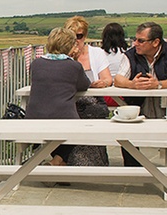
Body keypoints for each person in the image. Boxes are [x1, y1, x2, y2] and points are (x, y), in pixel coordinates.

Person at [113, 21, 167, 167]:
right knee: (125, 129)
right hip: (140, 104)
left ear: (155, 42)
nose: (135, 43)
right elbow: (118, 79)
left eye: (141, 41)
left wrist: (159, 84)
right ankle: (134, 169)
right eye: (134, 39)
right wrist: (132, 84)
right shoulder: (130, 55)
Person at [25, 27, 90, 166]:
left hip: (33, 118)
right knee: (78, 128)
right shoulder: (73, 66)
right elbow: (84, 85)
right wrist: (75, 60)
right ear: (70, 46)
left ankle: (58, 163)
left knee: (57, 127)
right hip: (63, 119)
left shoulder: (36, 64)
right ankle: (58, 161)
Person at [63, 16, 111, 166]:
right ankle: (64, 161)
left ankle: (60, 161)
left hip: (93, 101)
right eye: (72, 36)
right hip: (70, 103)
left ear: (85, 36)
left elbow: (108, 78)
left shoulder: (97, 53)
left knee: (90, 112)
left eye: (79, 36)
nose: (76, 40)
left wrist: (102, 83)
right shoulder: (61, 56)